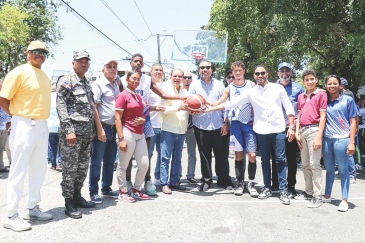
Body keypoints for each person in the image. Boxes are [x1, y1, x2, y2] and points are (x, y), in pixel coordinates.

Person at [206, 65, 295, 205]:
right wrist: (211, 108)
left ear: (267, 74)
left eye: (262, 73)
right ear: (254, 76)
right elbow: (231, 103)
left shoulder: (278, 88)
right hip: (261, 130)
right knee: (265, 160)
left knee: (280, 160)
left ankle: (283, 190)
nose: (260, 76)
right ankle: (267, 188)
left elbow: (289, 107)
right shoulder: (251, 92)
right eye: (257, 74)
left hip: (278, 129)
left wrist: (291, 127)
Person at [0, 40, 53, 231]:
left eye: (43, 52)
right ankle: (11, 214)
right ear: (27, 53)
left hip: (41, 124)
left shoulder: (44, 75)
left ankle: (32, 208)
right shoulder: (18, 72)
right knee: (19, 170)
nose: (40, 54)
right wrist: (15, 115)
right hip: (23, 123)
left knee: (39, 169)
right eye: (36, 51)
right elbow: (3, 98)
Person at [121, 53, 183, 196]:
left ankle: (147, 181)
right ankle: (128, 182)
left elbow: (163, 95)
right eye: (135, 61)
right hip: (128, 120)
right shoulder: (123, 81)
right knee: (128, 155)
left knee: (145, 155)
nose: (137, 63)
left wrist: (182, 97)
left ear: (143, 65)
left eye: (140, 61)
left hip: (145, 120)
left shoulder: (148, 80)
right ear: (131, 63)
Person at [57, 50, 98, 219]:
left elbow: (90, 107)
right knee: (70, 169)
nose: (84, 64)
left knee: (82, 168)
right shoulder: (67, 80)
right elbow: (61, 105)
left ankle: (77, 196)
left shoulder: (87, 82)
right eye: (80, 61)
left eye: (86, 61)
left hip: (86, 134)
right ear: (73, 62)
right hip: (72, 134)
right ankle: (69, 203)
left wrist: (93, 130)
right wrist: (68, 130)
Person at [212, 61, 258, 197]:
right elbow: (220, 103)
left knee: (252, 155)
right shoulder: (229, 88)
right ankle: (239, 182)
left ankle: (251, 183)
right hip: (236, 123)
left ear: (244, 71)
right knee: (238, 155)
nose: (237, 73)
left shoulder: (251, 85)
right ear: (232, 72)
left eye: (240, 70)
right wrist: (204, 104)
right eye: (235, 71)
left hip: (250, 123)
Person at [190, 60, 233, 192]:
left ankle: (223, 179)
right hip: (200, 125)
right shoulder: (194, 85)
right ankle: (207, 179)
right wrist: (191, 109)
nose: (205, 70)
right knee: (204, 155)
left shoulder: (220, 84)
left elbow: (226, 104)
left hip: (219, 124)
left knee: (221, 154)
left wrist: (225, 122)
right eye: (202, 67)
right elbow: (190, 103)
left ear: (211, 70)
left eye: (207, 67)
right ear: (199, 70)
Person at [322, 75, 358, 212]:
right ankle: (327, 194)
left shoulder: (347, 100)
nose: (332, 86)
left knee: (343, 170)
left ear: (340, 85)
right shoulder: (324, 100)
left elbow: (353, 121)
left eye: (335, 83)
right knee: (329, 169)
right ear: (326, 85)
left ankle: (344, 199)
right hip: (327, 139)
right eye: (329, 83)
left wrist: (352, 142)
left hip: (342, 139)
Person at [88, 59, 120, 204]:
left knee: (110, 161)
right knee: (96, 161)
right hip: (103, 127)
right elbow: (94, 107)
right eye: (109, 67)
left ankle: (106, 188)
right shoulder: (98, 84)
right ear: (103, 70)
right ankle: (93, 191)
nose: (112, 69)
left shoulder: (116, 85)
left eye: (114, 67)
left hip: (114, 128)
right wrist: (99, 129)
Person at [115, 71, 150, 202]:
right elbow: (117, 118)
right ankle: (122, 191)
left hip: (140, 133)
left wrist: (143, 119)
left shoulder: (137, 96)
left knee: (144, 164)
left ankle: (136, 190)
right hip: (127, 132)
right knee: (123, 165)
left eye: (138, 79)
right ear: (127, 79)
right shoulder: (123, 95)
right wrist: (121, 138)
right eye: (133, 78)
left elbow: (141, 113)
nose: (136, 81)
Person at [271, 62, 304, 197]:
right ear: (277, 73)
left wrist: (295, 129)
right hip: (274, 128)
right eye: (281, 70)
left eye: (287, 70)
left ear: (291, 72)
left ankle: (291, 185)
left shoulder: (298, 89)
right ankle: (276, 184)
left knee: (291, 158)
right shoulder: (271, 87)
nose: (284, 73)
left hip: (291, 128)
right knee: (276, 158)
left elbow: (301, 110)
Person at [295, 70, 327, 208]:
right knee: (305, 165)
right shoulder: (301, 96)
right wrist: (296, 132)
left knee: (315, 164)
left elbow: (323, 116)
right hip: (302, 131)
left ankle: (317, 195)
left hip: (314, 130)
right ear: (303, 82)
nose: (310, 82)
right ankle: (309, 192)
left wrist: (319, 136)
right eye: (307, 80)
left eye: (312, 79)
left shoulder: (321, 94)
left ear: (316, 80)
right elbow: (299, 115)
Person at [159, 69, 189, 194]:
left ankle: (174, 181)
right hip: (168, 129)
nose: (177, 78)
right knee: (165, 158)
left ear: (182, 78)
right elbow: (163, 109)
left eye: (179, 76)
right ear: (171, 77)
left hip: (181, 130)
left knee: (177, 158)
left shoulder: (185, 91)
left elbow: (189, 107)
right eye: (175, 76)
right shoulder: (166, 90)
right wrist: (178, 107)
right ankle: (164, 184)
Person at [147, 64, 166, 186]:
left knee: (162, 154)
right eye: (156, 70)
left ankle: (157, 177)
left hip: (164, 126)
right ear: (151, 71)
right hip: (151, 125)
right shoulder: (147, 86)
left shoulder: (166, 86)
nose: (158, 72)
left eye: (160, 70)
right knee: (148, 154)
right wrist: (154, 108)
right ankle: (146, 179)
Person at [180, 71, 198, 184]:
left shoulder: (194, 93)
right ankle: (177, 174)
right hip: (180, 125)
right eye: (185, 77)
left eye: (189, 77)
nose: (186, 79)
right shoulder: (178, 91)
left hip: (191, 127)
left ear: (192, 79)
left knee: (192, 152)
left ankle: (190, 175)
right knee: (177, 153)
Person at [47, 82, 62, 171]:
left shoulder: (48, 97)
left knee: (52, 146)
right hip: (60, 126)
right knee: (61, 147)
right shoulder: (61, 97)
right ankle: (60, 162)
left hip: (50, 126)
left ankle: (53, 163)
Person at [0, 80, 11, 173]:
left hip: (3, 126)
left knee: (1, 147)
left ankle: (1, 165)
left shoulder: (4, 96)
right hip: (2, 126)